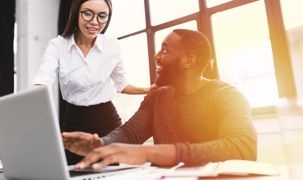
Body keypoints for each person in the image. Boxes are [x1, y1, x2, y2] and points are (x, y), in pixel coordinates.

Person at [63, 29, 257, 169]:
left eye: (165, 50)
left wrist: (149, 153)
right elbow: (130, 134)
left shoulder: (227, 96)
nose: (156, 56)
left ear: (189, 61)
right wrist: (101, 144)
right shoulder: (157, 97)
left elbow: (243, 148)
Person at [33, 0, 152, 165]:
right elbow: (43, 79)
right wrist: (33, 98)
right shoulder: (58, 45)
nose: (95, 22)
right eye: (88, 13)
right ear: (76, 13)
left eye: (102, 16)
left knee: (110, 172)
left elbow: (121, 85)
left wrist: (150, 89)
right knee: (74, 171)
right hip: (73, 121)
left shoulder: (113, 46)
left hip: (106, 120)